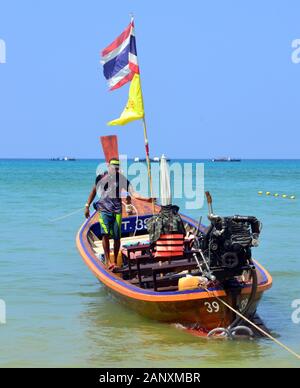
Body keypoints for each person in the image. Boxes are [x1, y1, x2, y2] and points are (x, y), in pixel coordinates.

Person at [84, 158, 153, 270]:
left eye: (117, 168)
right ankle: (108, 261)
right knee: (105, 234)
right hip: (104, 209)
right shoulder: (101, 177)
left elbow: (134, 193)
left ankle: (115, 261)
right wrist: (87, 206)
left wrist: (147, 199)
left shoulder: (122, 180)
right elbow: (93, 191)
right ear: (108, 167)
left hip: (117, 210)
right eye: (113, 168)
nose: (115, 170)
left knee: (117, 237)